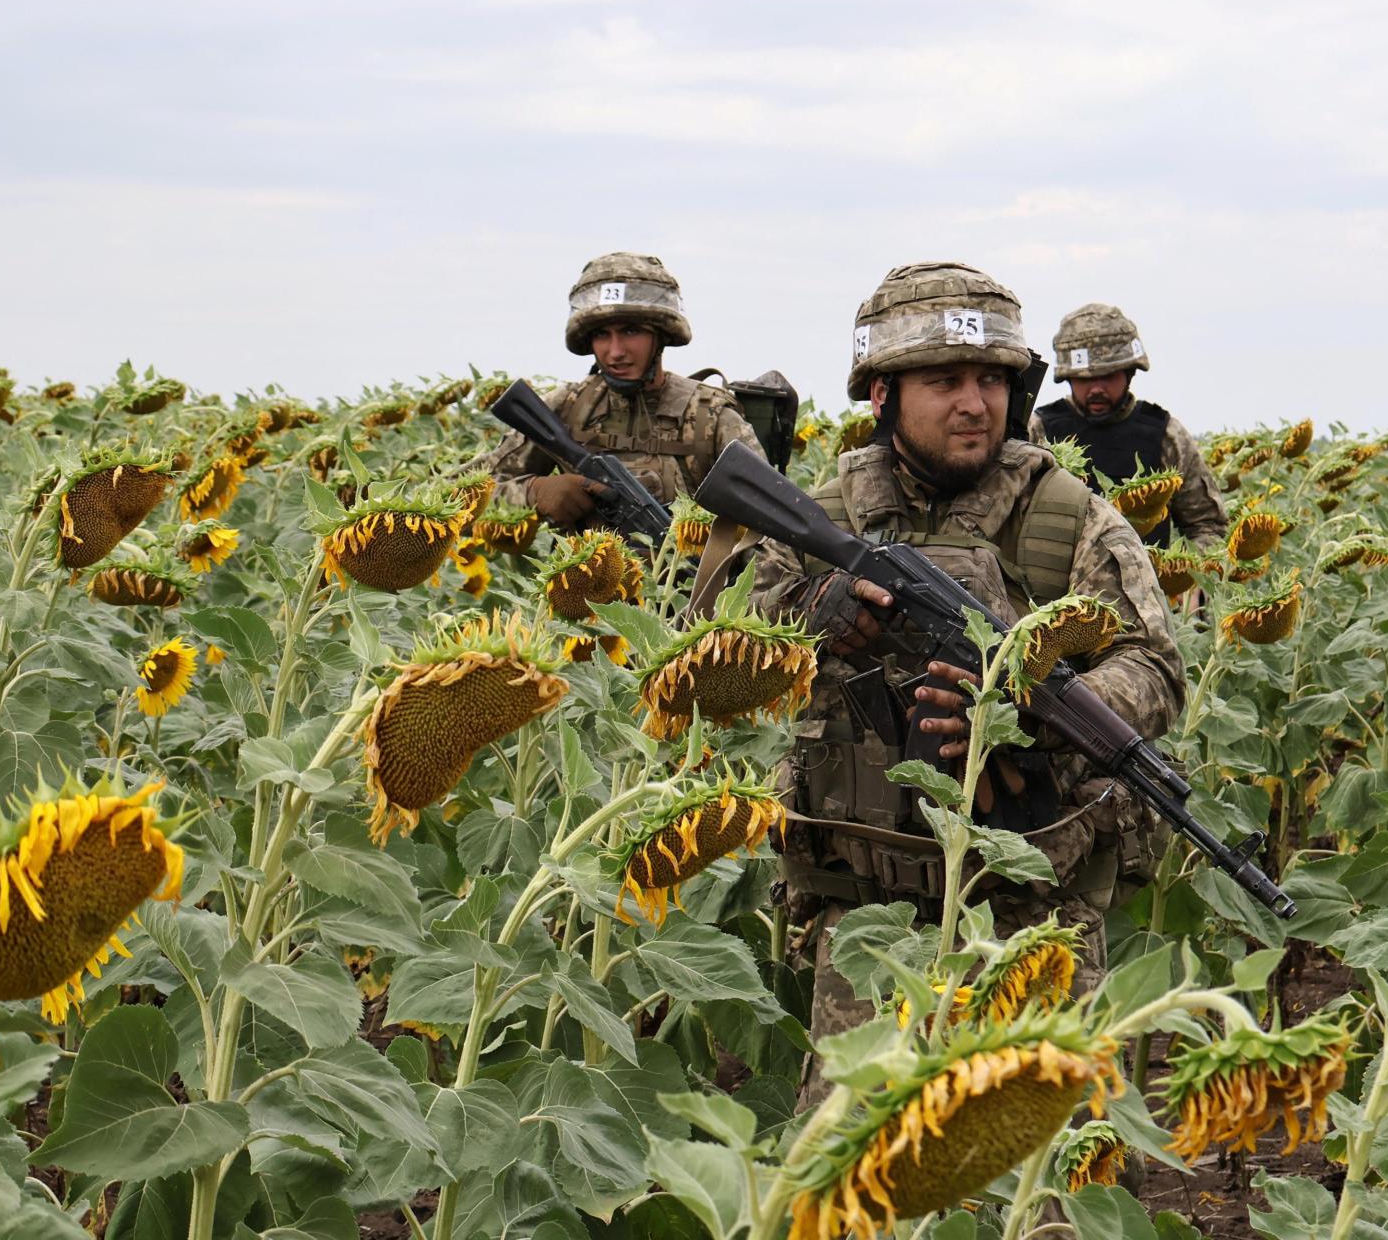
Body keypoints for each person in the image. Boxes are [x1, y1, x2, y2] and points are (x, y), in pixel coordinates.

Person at [749, 262, 1186, 1103]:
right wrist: (812, 608)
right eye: (944, 381)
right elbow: (726, 646)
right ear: (883, 394)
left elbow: (1154, 669)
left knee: (1049, 1158)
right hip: (866, 918)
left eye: (991, 379)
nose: (974, 404)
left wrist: (1035, 709)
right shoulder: (825, 517)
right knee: (850, 1154)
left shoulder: (1066, 517)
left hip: (1028, 912)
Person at [491, 252, 765, 527]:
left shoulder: (711, 416)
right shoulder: (566, 406)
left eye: (631, 331)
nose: (616, 351)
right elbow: (470, 495)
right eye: (602, 334)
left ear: (661, 335)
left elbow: (772, 527)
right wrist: (533, 493)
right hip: (585, 557)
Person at [1030, 304, 1226, 548]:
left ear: (1129, 373)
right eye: (1085, 379)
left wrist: (1187, 570)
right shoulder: (1038, 432)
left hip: (1149, 573)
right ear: (1068, 377)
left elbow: (1206, 525)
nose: (1097, 389)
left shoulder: (1166, 435)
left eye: (1108, 376)